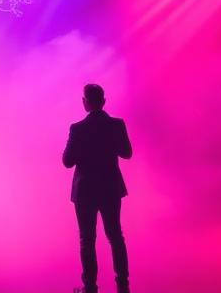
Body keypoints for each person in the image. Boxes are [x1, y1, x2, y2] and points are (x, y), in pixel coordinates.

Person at [62, 83, 132, 293]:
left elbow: (67, 161)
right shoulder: (117, 125)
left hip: (85, 191)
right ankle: (123, 284)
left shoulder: (77, 129)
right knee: (115, 235)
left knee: (87, 239)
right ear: (103, 101)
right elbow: (127, 153)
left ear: (85, 102)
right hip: (110, 187)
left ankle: (90, 286)